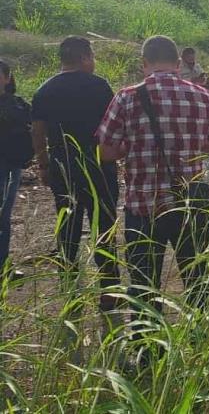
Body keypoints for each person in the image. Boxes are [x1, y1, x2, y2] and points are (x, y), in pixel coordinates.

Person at [96, 35, 209, 354]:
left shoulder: (127, 97)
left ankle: (147, 353)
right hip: (192, 203)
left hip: (144, 206)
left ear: (144, 64)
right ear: (178, 62)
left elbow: (105, 151)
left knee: (143, 284)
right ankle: (204, 346)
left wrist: (133, 147)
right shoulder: (202, 95)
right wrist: (195, 149)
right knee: (198, 277)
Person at [31, 37, 122, 312]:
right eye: (91, 56)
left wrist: (44, 165)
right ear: (84, 57)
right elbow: (113, 125)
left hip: (62, 166)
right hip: (98, 165)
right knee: (104, 226)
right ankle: (109, 292)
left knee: (67, 227)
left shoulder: (44, 90)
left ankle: (69, 289)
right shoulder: (100, 86)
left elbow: (38, 132)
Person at [0, 60, 33, 282]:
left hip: (9, 165)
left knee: (3, 217)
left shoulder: (18, 104)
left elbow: (31, 127)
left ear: (7, 78)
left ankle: (2, 266)